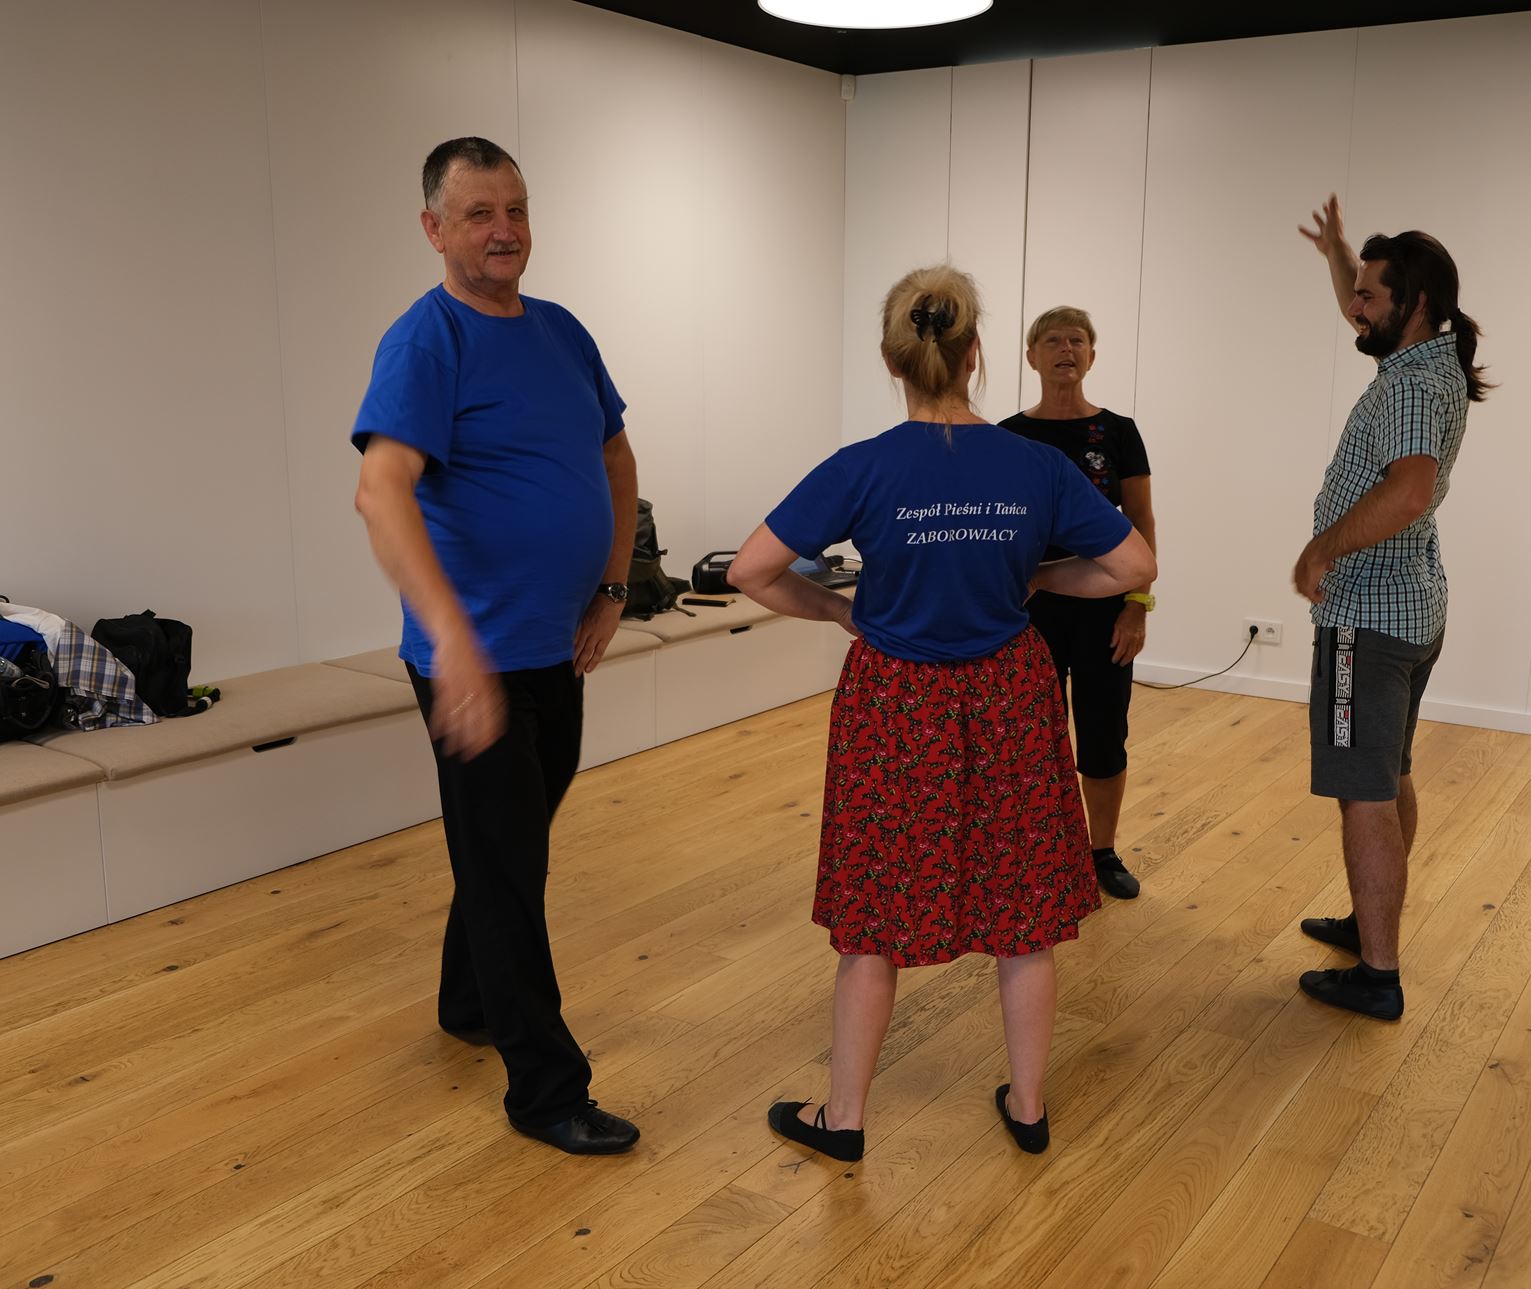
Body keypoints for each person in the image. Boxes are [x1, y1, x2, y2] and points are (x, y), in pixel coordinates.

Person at [731, 266, 1156, 1160]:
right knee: (1024, 907)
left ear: (894, 360)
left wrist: (840, 611)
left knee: (875, 912)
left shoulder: (863, 465)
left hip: (896, 702)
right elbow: (1132, 567)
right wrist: (1037, 574)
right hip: (1009, 694)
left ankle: (844, 1119)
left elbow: (749, 571)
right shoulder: (1035, 464)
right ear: (976, 354)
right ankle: (1029, 1106)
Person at [351, 136, 641, 1154]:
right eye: (479, 213)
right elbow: (379, 492)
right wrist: (454, 643)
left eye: (515, 208)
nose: (504, 230)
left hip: (553, 643)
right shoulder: (426, 342)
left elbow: (614, 455)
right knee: (510, 864)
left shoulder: (562, 331)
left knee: (509, 846)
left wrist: (612, 585)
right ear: (434, 228)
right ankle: (546, 1090)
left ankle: (469, 999)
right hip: (469, 661)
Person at [1291, 195, 1490, 1021]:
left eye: (1371, 296)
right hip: (1412, 607)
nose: (1355, 307)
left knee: (1363, 791)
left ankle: (1378, 972)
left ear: (1415, 304)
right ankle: (1370, 918)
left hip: (1367, 620)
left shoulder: (1409, 388)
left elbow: (1408, 492)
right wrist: (1339, 253)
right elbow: (1361, 299)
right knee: (1390, 772)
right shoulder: (1426, 361)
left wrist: (1321, 548)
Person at [1000, 306, 1157, 901]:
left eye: (1076, 340)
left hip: (1104, 606)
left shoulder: (1119, 432)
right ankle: (1032, 848)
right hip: (1026, 608)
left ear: (1092, 355)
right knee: (1026, 736)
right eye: (1052, 340)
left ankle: (1101, 852)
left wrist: (1137, 604)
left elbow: (1141, 523)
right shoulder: (1006, 436)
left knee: (1102, 731)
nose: (1065, 349)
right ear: (1031, 356)